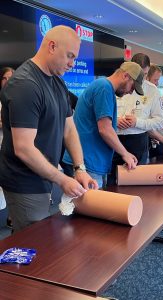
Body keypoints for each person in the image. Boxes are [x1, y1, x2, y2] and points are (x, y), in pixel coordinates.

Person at [0, 25, 97, 233]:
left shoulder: (58, 83)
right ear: (52, 46)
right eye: (69, 56)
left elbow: (69, 129)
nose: (72, 64)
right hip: (24, 182)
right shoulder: (25, 84)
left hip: (45, 178)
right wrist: (62, 179)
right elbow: (24, 148)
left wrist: (79, 169)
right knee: (33, 243)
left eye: (75, 58)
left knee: (44, 241)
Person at [63, 61, 144, 188]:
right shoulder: (104, 88)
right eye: (132, 87)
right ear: (126, 76)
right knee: (88, 206)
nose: (130, 92)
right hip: (88, 162)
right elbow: (105, 129)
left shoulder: (104, 87)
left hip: (92, 161)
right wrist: (125, 154)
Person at [108, 55, 163, 184]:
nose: (140, 78)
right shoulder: (114, 86)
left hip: (137, 141)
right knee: (111, 182)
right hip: (114, 139)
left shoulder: (152, 90)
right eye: (137, 74)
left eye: (144, 74)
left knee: (135, 182)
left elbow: (161, 121)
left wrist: (137, 122)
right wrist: (115, 121)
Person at [0, 67, 15, 228]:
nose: (9, 81)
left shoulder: (17, 97)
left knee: (9, 186)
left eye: (12, 77)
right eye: (6, 78)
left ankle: (12, 217)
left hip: (9, 148)